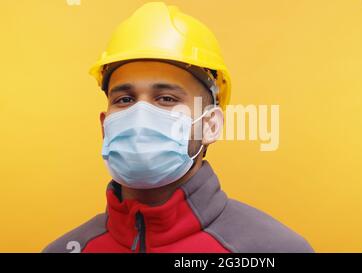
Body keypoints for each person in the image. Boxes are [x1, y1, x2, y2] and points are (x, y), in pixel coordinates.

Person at [43, 1, 313, 253]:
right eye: (124, 100)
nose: (141, 115)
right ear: (105, 126)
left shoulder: (274, 249)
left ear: (210, 124)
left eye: (166, 99)